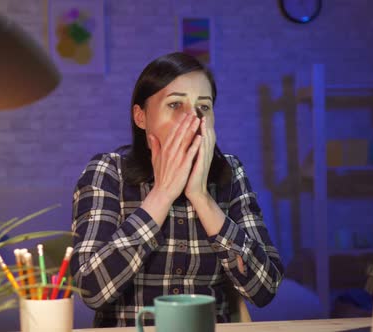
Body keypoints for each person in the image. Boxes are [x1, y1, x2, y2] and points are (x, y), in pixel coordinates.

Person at [69, 52, 284, 327]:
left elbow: (264, 288)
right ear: (141, 116)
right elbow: (91, 290)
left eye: (203, 107)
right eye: (175, 105)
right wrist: (162, 194)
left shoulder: (231, 173)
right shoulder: (108, 172)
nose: (192, 119)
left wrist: (202, 198)